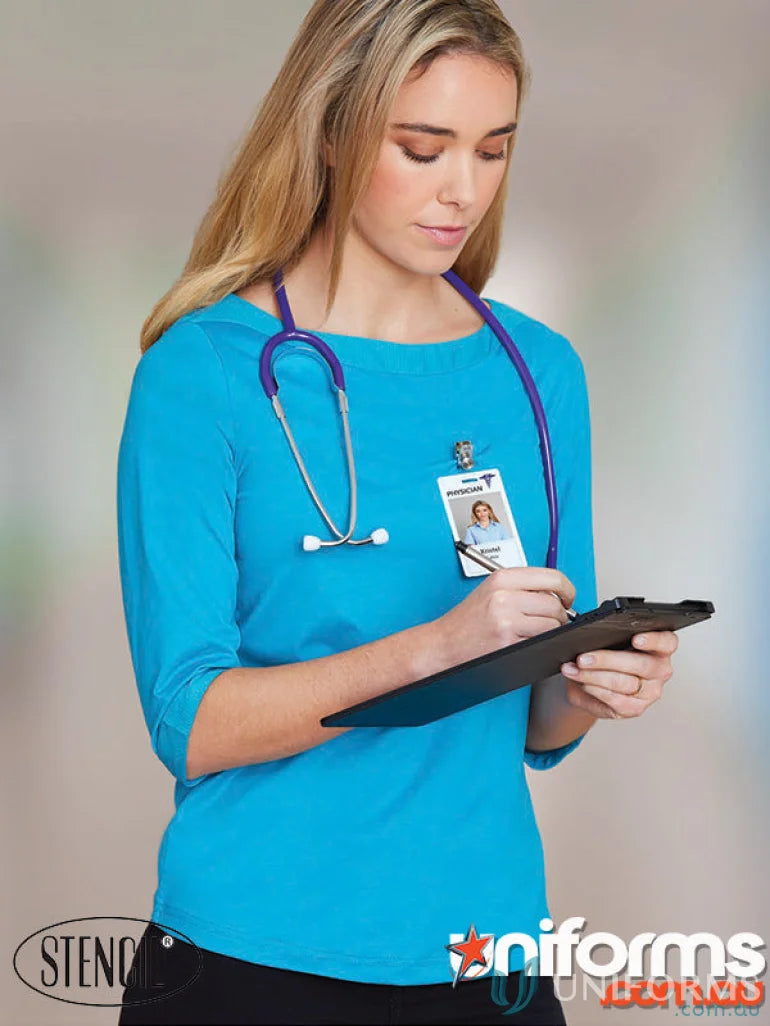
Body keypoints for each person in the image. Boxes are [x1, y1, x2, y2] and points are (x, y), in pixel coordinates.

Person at [115, 2, 679, 1023]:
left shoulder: (534, 372)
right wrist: (433, 646)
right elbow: (187, 720)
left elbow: (533, 720)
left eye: (490, 150)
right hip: (253, 952)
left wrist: (590, 685)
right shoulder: (202, 375)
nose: (460, 190)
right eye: (421, 149)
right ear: (330, 131)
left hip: (484, 955)